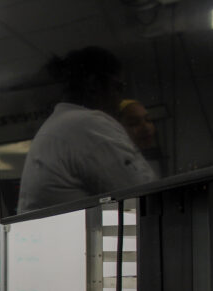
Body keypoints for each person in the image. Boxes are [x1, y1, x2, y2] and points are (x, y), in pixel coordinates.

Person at [17, 47, 157, 213]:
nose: (119, 99)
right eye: (118, 87)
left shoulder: (59, 124)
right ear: (94, 85)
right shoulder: (89, 124)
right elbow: (147, 197)